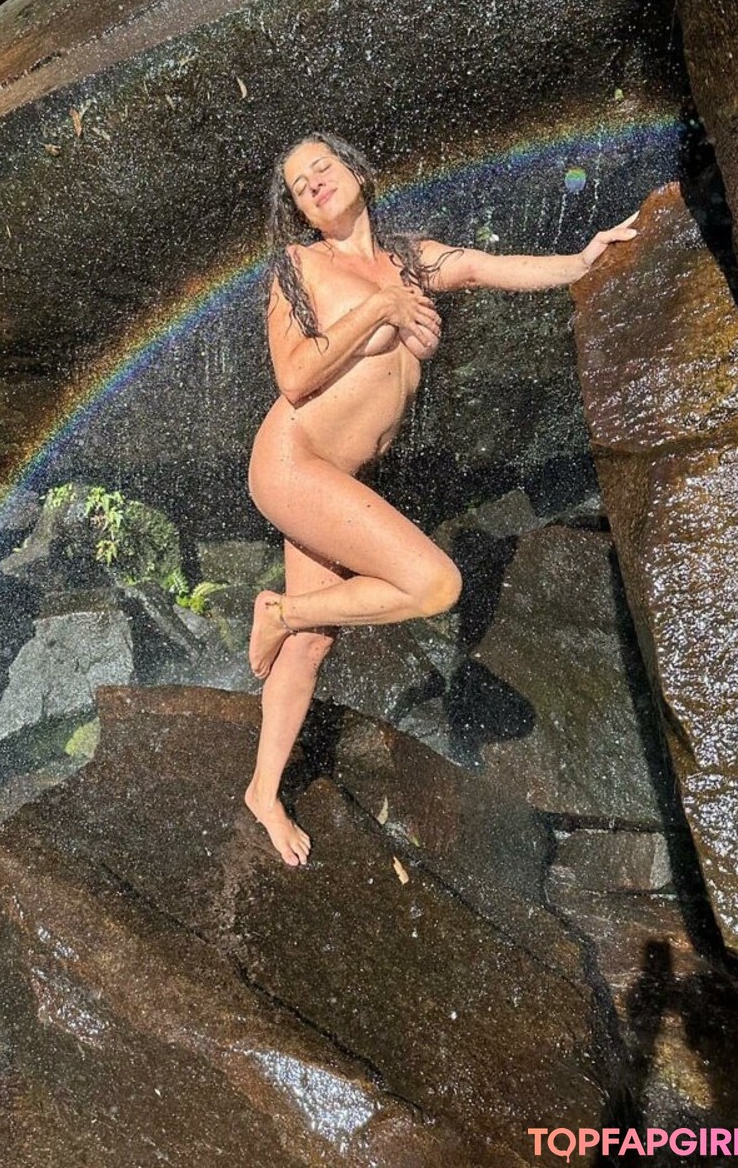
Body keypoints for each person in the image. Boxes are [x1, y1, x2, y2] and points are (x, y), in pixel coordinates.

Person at [244, 131, 639, 866]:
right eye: (301, 184)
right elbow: (294, 378)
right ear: (299, 210)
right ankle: (280, 611)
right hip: (293, 463)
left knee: (313, 647)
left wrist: (584, 259)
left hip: (335, 479)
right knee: (435, 584)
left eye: (323, 167)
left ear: (355, 170)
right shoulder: (301, 265)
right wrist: (381, 307)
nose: (316, 182)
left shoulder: (411, 259)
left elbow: (490, 267)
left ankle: (263, 792)